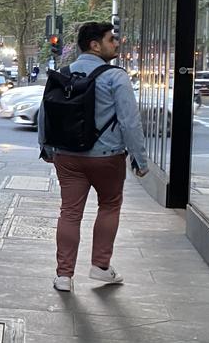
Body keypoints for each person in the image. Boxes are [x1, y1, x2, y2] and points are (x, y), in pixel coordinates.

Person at [37, 21, 148, 293]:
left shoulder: (62, 74)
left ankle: (64, 276)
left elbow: (45, 114)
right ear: (95, 45)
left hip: (67, 156)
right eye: (112, 39)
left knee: (70, 212)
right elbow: (130, 122)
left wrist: (46, 148)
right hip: (107, 158)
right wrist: (140, 160)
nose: (117, 44)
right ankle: (100, 266)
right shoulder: (115, 77)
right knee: (109, 206)